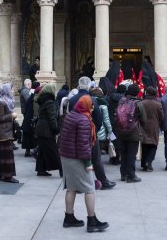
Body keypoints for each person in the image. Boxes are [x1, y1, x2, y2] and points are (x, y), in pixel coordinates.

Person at [59, 95, 109, 233]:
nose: (93, 109)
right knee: (90, 188)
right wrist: (88, 163)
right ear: (87, 106)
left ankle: (69, 218)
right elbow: (83, 144)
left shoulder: (71, 115)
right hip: (77, 158)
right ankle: (92, 221)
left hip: (66, 156)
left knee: (71, 187)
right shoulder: (84, 120)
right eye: (92, 106)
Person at [69, 77, 116, 190]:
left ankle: (78, 183)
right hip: (90, 132)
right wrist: (95, 130)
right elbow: (98, 119)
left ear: (79, 86)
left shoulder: (72, 99)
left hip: (76, 132)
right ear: (89, 86)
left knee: (78, 158)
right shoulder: (91, 99)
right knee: (96, 158)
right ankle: (103, 181)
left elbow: (70, 115)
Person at [116, 84, 144, 183]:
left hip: (121, 131)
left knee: (123, 153)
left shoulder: (121, 101)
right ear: (137, 92)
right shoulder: (138, 103)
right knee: (132, 154)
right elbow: (143, 118)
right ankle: (131, 175)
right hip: (133, 132)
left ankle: (123, 174)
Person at [35, 84, 62, 177]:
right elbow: (52, 117)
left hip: (41, 127)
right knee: (54, 150)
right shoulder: (50, 102)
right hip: (46, 129)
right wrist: (55, 129)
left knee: (42, 150)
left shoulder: (44, 100)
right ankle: (62, 170)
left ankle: (40, 169)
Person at [140, 86, 164, 171]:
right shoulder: (158, 104)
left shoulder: (142, 103)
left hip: (143, 126)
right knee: (153, 145)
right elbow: (161, 117)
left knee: (144, 144)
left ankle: (143, 163)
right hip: (154, 126)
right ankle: (149, 162)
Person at [21, 81, 40, 157]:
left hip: (27, 119)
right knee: (32, 136)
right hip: (31, 119)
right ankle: (33, 151)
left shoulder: (31, 97)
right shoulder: (35, 98)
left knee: (28, 136)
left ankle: (28, 151)